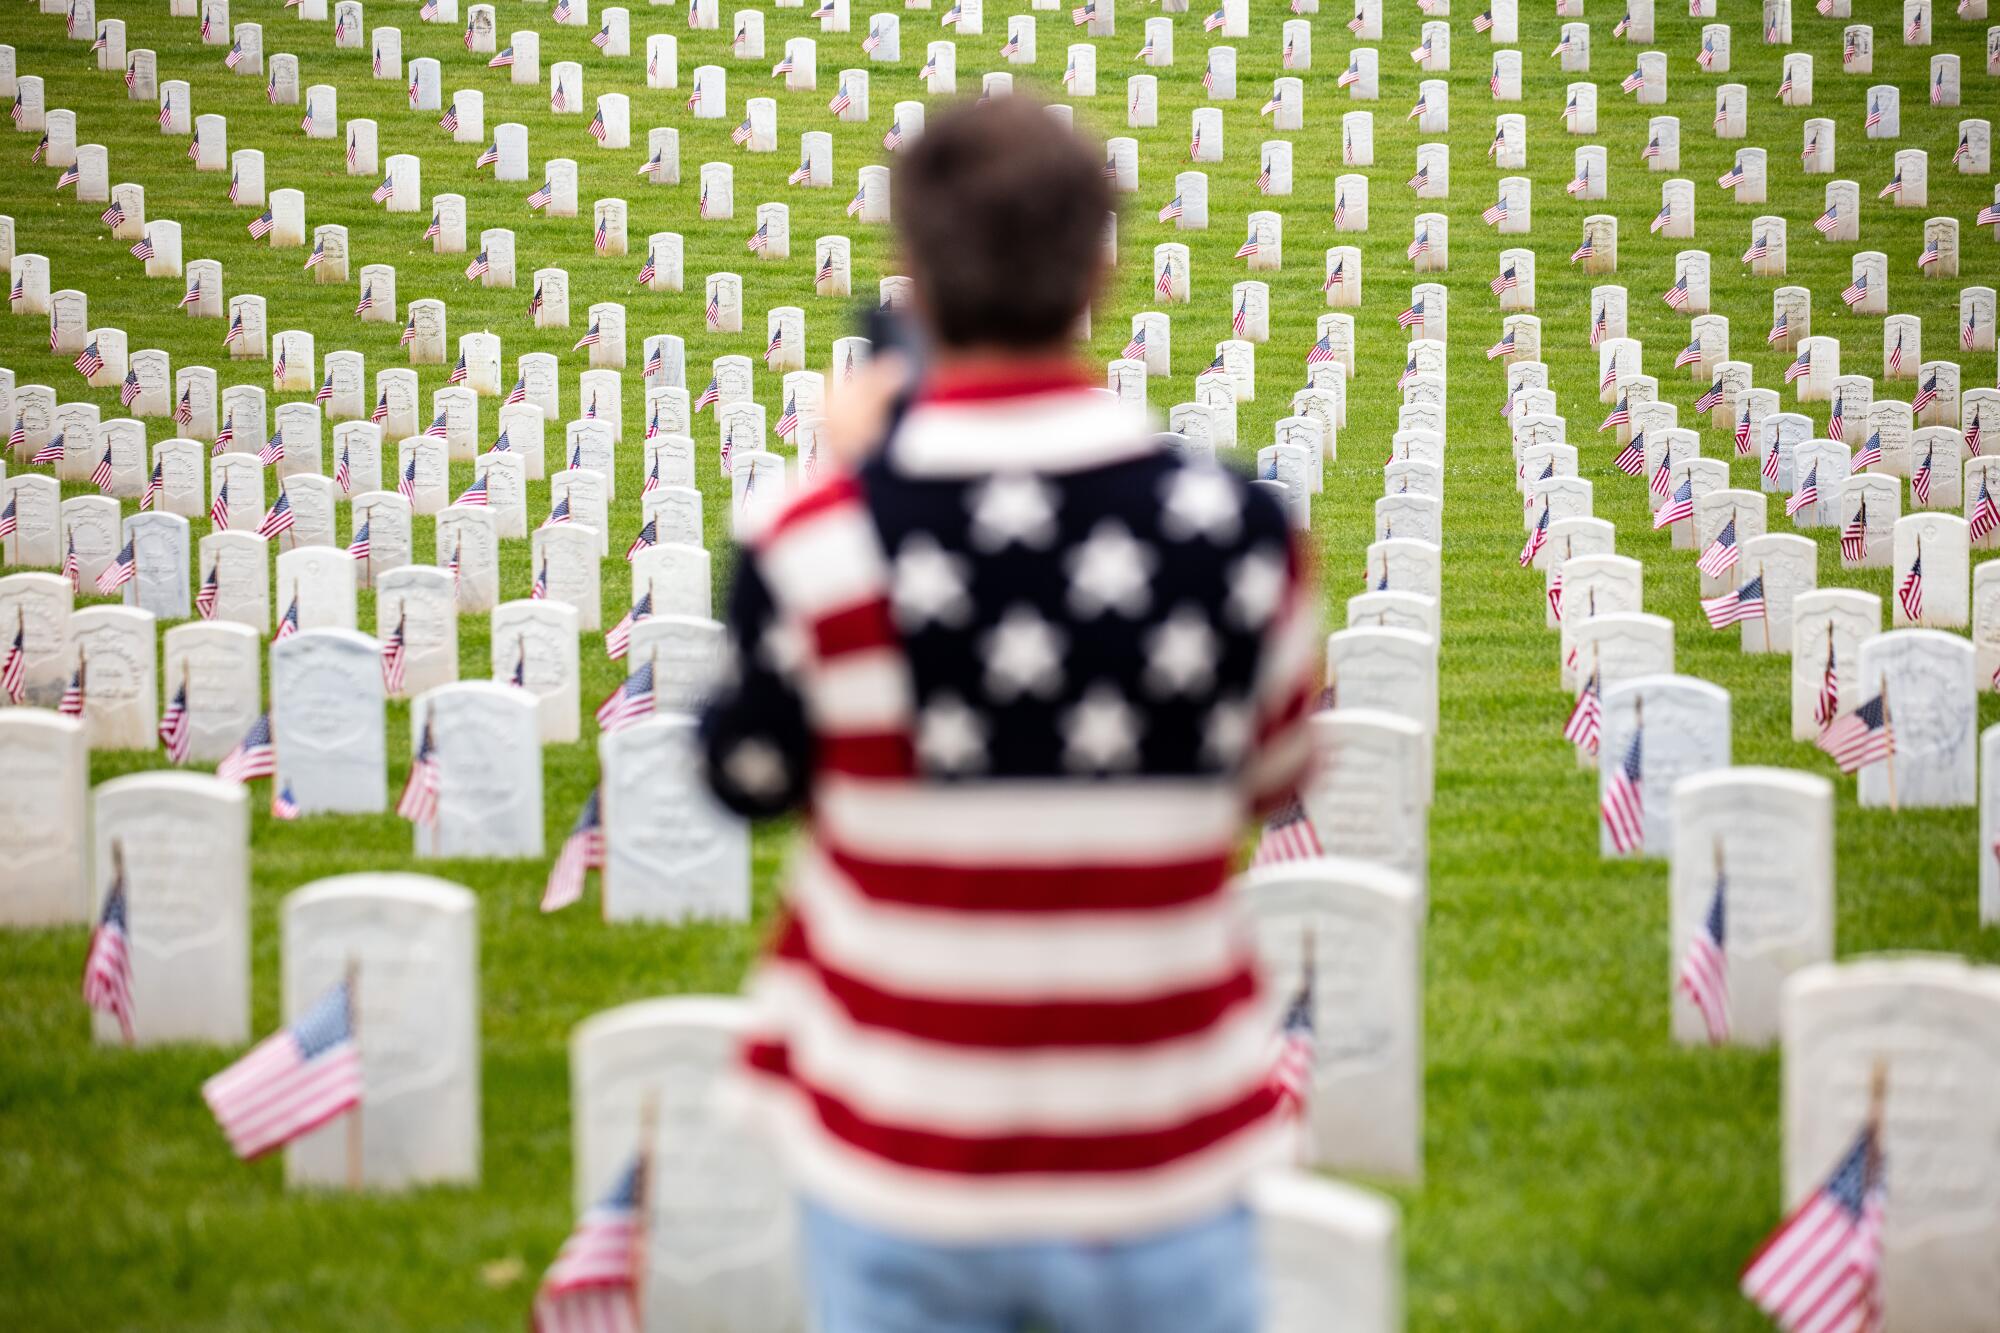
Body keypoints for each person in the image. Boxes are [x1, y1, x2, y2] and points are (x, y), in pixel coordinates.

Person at [699, 94, 1321, 1333]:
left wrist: (850, 470)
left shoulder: (815, 536)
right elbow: (1277, 780)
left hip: (902, 1145)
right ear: (1104, 264)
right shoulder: (1246, 535)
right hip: (1168, 1145)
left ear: (910, 281)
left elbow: (748, 773)